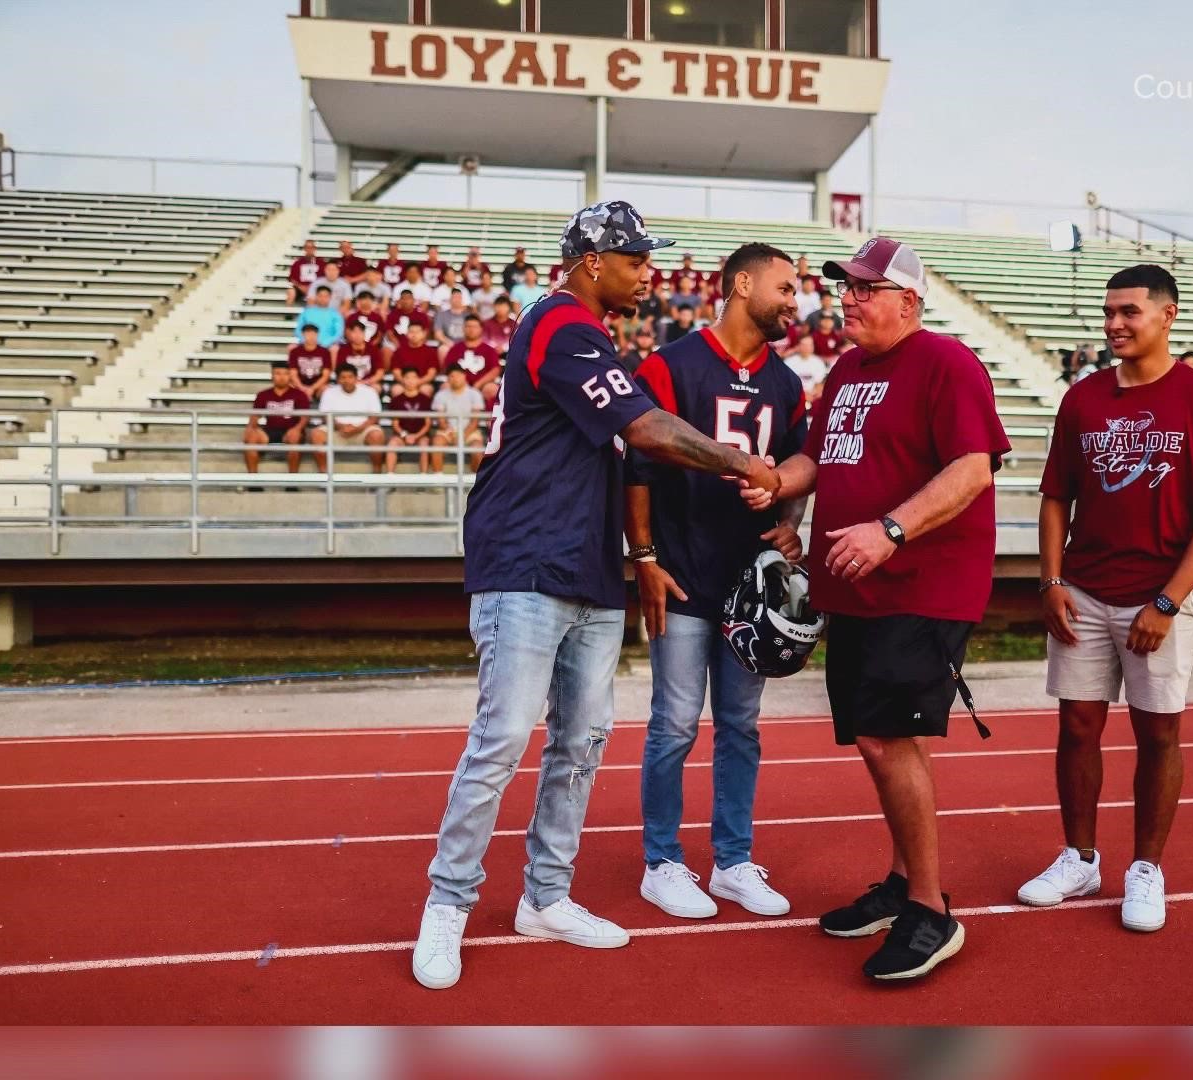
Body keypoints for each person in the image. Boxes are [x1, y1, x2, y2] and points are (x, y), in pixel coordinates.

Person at [413, 200, 781, 991]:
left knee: (580, 744)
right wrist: (742, 463)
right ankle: (447, 904)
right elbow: (647, 431)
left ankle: (546, 896)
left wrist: (639, 553)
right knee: (504, 737)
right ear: (591, 261)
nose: (649, 271)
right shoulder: (559, 323)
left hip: (587, 565)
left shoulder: (593, 336)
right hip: (526, 559)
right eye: (635, 257)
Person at [739, 236, 1010, 983]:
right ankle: (901, 881)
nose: (849, 298)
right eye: (847, 286)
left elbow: (973, 469)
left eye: (865, 287)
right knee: (872, 740)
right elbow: (819, 460)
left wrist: (892, 530)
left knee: (890, 740)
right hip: (852, 585)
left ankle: (930, 908)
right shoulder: (849, 369)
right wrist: (774, 485)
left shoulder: (947, 363)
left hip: (921, 583)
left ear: (909, 301)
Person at [1019, 264, 1193, 934]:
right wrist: (1051, 580)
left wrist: (1169, 600)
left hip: (1161, 596)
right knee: (1077, 727)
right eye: (1109, 312)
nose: (1116, 324)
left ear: (1167, 314)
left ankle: (1146, 867)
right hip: (1086, 591)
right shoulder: (1083, 398)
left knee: (1158, 731)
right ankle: (1080, 856)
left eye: (1130, 311)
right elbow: (1056, 497)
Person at [627, 243, 810, 923]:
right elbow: (640, 466)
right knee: (674, 723)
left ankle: (732, 861)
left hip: (749, 586)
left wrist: (791, 522)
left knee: (741, 725)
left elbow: (798, 463)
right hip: (681, 571)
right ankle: (662, 861)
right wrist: (644, 557)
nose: (795, 301)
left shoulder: (786, 383)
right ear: (741, 284)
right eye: (785, 287)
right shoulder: (671, 364)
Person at [309, 363, 386, 473]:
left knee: (377, 435)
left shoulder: (369, 392)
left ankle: (377, 475)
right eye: (343, 377)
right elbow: (325, 417)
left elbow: (374, 418)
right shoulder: (329, 392)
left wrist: (357, 429)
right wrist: (340, 426)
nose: (347, 380)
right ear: (338, 380)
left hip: (362, 431)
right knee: (316, 434)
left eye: (350, 377)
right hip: (337, 431)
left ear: (356, 378)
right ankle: (324, 476)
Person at [243, 362, 310, 474]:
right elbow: (255, 416)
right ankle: (253, 481)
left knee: (294, 437)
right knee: (251, 437)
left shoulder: (299, 394)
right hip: (270, 430)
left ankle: (292, 482)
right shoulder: (263, 395)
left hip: (291, 430)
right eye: (277, 373)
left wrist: (297, 429)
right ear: (272, 376)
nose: (282, 377)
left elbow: (305, 417)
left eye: (285, 374)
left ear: (290, 376)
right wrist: (251, 428)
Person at [431, 366, 487, 472]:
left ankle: (474, 483)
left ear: (464, 376)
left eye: (458, 375)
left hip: (470, 432)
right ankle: (438, 484)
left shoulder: (474, 394)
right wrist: (453, 434)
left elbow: (474, 421)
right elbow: (441, 420)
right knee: (437, 443)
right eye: (452, 376)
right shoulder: (441, 395)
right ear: (448, 378)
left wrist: (462, 436)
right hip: (448, 431)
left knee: (477, 449)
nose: (455, 378)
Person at [384, 366, 435, 473]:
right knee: (391, 444)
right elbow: (395, 423)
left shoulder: (425, 399)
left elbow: (427, 423)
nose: (411, 381)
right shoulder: (396, 400)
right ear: (403, 379)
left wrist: (416, 436)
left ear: (418, 379)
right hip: (401, 436)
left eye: (414, 377)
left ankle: (423, 480)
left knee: (425, 445)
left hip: (421, 436)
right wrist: (405, 435)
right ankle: (389, 479)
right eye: (407, 377)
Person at [444, 314, 502, 404]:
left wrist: (478, 384)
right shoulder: (455, 349)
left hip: (482, 385)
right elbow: (448, 369)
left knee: (492, 389)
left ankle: (489, 417)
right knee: (445, 387)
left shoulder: (489, 350)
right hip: (458, 384)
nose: (471, 329)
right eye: (468, 326)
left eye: (475, 326)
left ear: (481, 329)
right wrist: (462, 385)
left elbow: (495, 370)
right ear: (463, 328)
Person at [286, 322, 334, 401]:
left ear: (317, 334)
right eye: (307, 334)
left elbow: (326, 375)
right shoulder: (295, 351)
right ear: (303, 334)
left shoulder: (324, 352)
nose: (310, 336)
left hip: (318, 386)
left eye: (313, 334)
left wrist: (312, 388)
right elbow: (293, 373)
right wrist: (302, 388)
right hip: (300, 385)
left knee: (327, 389)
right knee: (288, 386)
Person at [334, 319, 385, 387]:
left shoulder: (373, 349)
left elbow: (380, 372)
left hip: (368, 382)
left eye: (360, 332)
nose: (357, 335)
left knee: (377, 387)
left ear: (364, 334)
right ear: (350, 334)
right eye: (354, 332)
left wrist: (366, 382)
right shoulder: (343, 349)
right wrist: (351, 382)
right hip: (348, 383)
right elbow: (339, 371)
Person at [389, 320, 441, 385]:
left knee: (426, 390)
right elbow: (396, 371)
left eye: (418, 332)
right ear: (407, 333)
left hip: (423, 383)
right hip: (403, 383)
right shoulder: (399, 351)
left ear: (424, 333)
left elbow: (431, 373)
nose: (414, 334)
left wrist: (418, 382)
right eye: (411, 332)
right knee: (396, 390)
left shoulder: (430, 351)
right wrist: (406, 382)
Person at [783, 332, 830, 403]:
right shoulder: (789, 362)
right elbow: (785, 384)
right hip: (793, 398)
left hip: (812, 398)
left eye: (810, 345)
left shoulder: (818, 363)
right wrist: (802, 395)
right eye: (804, 345)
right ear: (798, 346)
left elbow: (819, 384)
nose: (807, 348)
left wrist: (811, 394)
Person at [287, 239, 322, 304]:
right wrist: (301, 287)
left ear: (315, 249)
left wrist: (312, 287)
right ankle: (288, 312)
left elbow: (324, 278)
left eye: (311, 247)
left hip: (316, 288)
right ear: (304, 249)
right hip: (300, 288)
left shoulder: (321, 262)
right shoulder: (298, 263)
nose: (309, 249)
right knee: (290, 291)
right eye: (307, 247)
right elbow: (292, 279)